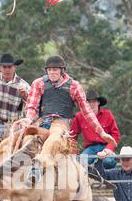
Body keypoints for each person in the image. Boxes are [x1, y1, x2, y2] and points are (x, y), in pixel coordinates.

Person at [19, 55, 117, 183]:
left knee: (54, 139)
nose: (52, 72)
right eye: (49, 70)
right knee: (25, 138)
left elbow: (86, 112)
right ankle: (11, 174)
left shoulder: (74, 86)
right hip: (42, 121)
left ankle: (37, 168)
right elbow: (32, 106)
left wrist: (102, 132)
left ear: (62, 70)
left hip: (61, 123)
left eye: (55, 69)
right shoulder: (39, 83)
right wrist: (28, 120)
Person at [70, 89, 120, 169]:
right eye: (89, 102)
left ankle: (109, 178)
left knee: (108, 162)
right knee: (81, 162)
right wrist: (73, 152)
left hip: (105, 146)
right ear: (85, 104)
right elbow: (73, 135)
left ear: (98, 102)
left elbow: (115, 134)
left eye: (94, 101)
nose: (91, 104)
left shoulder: (107, 114)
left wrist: (108, 149)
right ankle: (86, 180)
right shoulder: (79, 116)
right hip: (90, 148)